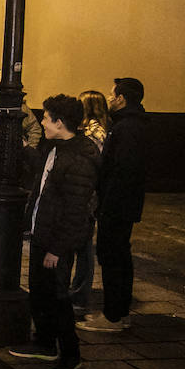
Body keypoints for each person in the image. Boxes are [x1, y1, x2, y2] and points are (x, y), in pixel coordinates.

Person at [9, 94, 99, 369]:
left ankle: (70, 353)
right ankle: (45, 343)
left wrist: (57, 249)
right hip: (41, 232)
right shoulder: (54, 148)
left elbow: (75, 210)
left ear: (59, 123)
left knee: (58, 297)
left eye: (47, 118)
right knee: (40, 292)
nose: (43, 123)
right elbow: (42, 177)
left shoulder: (79, 158)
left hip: (56, 240)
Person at [78, 77, 147, 333]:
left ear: (121, 98)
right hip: (121, 203)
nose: (109, 99)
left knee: (112, 257)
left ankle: (113, 316)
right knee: (118, 257)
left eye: (112, 94)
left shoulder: (127, 128)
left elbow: (121, 170)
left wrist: (106, 203)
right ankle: (119, 311)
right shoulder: (132, 124)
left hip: (117, 205)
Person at [68, 89, 109, 315]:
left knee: (83, 246)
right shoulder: (94, 129)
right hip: (88, 193)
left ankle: (80, 294)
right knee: (81, 244)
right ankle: (76, 290)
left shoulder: (94, 132)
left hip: (87, 195)